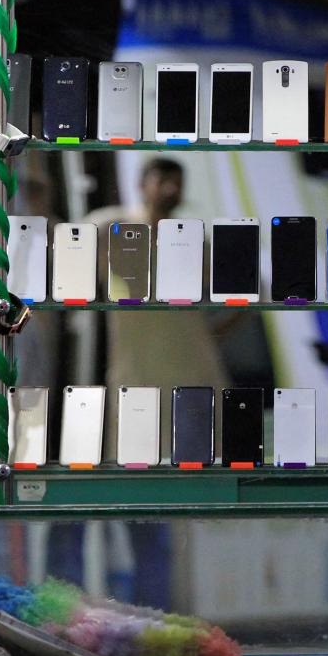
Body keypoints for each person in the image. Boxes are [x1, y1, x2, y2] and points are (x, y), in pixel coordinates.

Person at [84, 158, 228, 455]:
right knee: (136, 458)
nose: (171, 189)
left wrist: (214, 334)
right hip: (135, 368)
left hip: (193, 368)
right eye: (163, 181)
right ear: (141, 185)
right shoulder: (112, 227)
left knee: (198, 458)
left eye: (177, 183)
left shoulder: (194, 241)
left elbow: (248, 295)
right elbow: (68, 246)